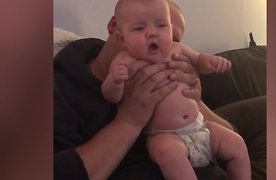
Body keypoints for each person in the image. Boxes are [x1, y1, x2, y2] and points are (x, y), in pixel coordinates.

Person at [54, 1, 240, 180]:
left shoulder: (174, 69)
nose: (154, 38)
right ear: (115, 29)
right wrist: (128, 122)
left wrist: (197, 102)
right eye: (140, 28)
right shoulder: (62, 89)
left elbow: (230, 142)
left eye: (164, 30)